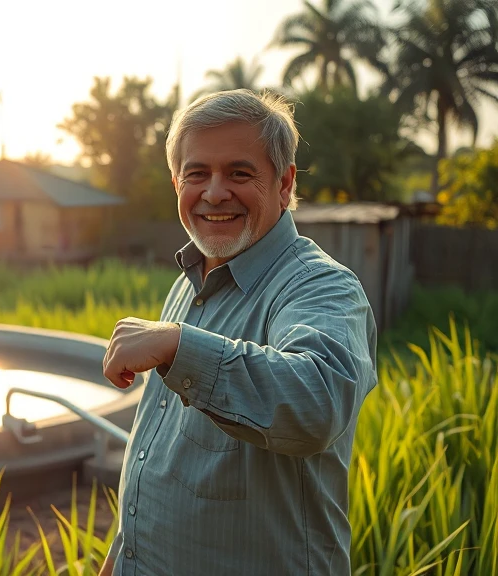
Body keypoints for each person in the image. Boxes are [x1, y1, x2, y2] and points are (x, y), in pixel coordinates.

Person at [98, 89, 378, 575]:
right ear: (175, 182)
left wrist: (178, 345)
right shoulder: (187, 283)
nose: (214, 192)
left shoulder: (320, 286)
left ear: (285, 183)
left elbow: (317, 401)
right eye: (197, 173)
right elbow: (154, 454)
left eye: (240, 173)